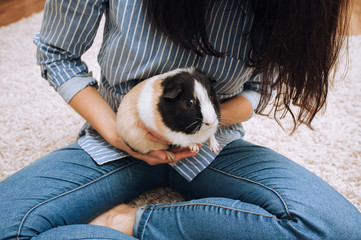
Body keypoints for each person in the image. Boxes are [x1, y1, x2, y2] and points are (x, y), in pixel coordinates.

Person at [1, 0, 360, 239]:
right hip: (116, 140)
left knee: (339, 228)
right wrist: (118, 132)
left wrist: (209, 124)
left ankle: (124, 222)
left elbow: (260, 87)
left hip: (213, 146)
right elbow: (56, 53)